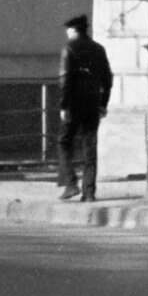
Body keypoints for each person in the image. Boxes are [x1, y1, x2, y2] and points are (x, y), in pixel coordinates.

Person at [57, 14, 113, 201]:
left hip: (74, 104)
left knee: (64, 142)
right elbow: (108, 79)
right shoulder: (99, 49)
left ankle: (71, 184)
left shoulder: (69, 48)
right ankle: (89, 192)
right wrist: (103, 104)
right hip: (92, 103)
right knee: (90, 147)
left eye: (68, 29)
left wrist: (64, 105)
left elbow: (65, 78)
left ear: (73, 30)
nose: (67, 33)